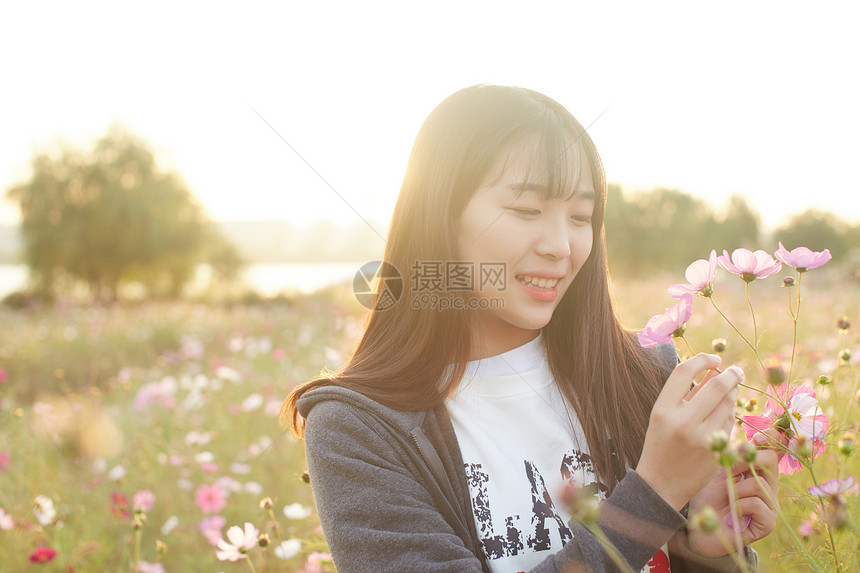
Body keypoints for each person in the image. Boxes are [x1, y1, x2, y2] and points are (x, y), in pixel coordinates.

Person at [282, 85, 780, 572]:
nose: (561, 246)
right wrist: (652, 498)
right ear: (440, 214)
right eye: (526, 210)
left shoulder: (650, 375)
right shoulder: (360, 429)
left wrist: (707, 547)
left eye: (581, 216)